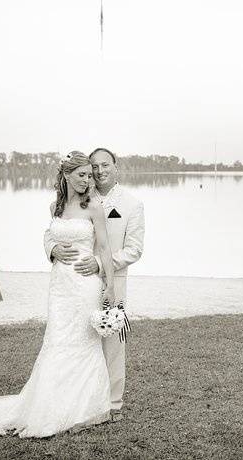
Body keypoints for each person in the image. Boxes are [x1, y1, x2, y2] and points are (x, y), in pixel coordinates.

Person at [0, 151, 117, 440]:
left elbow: (104, 248)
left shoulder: (94, 205)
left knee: (83, 341)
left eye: (89, 175)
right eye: (81, 174)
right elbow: (50, 237)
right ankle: (49, 403)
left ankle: (84, 407)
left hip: (85, 284)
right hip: (60, 285)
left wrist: (109, 284)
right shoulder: (54, 207)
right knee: (57, 339)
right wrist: (53, 250)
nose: (87, 179)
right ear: (66, 175)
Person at [44, 147, 144, 421]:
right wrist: (52, 248)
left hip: (111, 280)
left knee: (112, 343)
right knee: (79, 341)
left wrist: (100, 265)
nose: (97, 173)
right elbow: (52, 229)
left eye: (104, 166)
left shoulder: (132, 204)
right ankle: (77, 401)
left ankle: (113, 405)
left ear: (115, 166)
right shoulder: (79, 196)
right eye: (93, 168)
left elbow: (134, 249)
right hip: (71, 283)